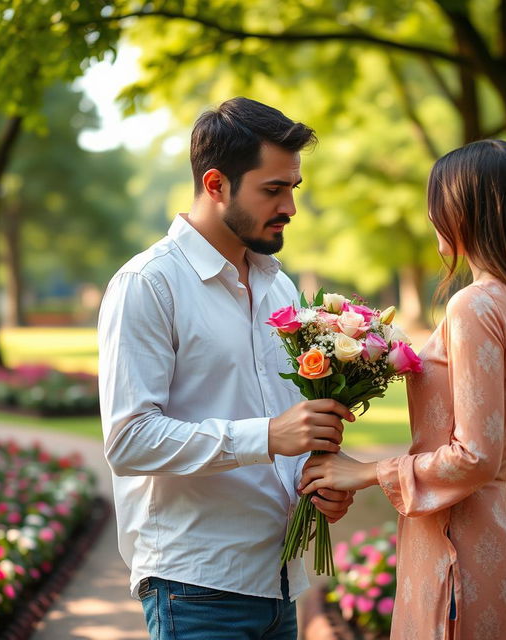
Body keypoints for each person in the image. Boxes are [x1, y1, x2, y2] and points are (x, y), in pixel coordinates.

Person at [298, 139, 506, 639]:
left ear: (467, 210)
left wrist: (364, 472)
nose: (432, 216)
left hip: (463, 555)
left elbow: (475, 456)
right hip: (488, 540)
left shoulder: (473, 306)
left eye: (439, 202)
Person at [98, 97, 356, 640]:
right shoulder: (149, 285)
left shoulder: (279, 287)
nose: (289, 207)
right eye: (273, 189)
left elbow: (281, 421)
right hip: (196, 587)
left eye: (293, 188)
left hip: (280, 583)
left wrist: (320, 478)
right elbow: (129, 441)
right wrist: (267, 436)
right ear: (216, 185)